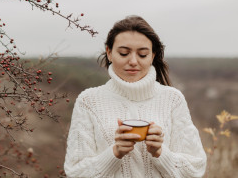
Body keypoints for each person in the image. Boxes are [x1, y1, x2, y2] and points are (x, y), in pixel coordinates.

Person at [64, 15, 207, 178]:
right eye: (124, 53)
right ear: (109, 53)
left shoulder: (173, 99)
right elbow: (75, 172)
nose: (133, 61)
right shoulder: (88, 101)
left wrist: (161, 152)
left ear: (153, 56)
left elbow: (195, 169)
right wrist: (114, 153)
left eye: (143, 54)